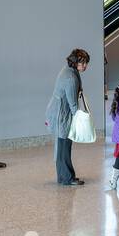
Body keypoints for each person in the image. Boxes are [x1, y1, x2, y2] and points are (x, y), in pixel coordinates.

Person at [45, 48, 90, 186]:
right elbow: (73, 104)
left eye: (86, 63)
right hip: (61, 115)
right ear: (75, 62)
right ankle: (66, 178)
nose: (85, 66)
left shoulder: (70, 71)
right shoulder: (71, 77)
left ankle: (66, 176)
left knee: (64, 145)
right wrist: (80, 120)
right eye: (82, 63)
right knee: (64, 146)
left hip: (59, 112)